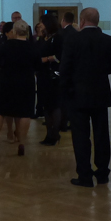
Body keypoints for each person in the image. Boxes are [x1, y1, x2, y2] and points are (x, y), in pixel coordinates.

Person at [60, 7, 111, 187]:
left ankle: (84, 175)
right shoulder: (109, 40)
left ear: (82, 21)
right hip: (100, 94)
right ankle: (102, 173)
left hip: (77, 94)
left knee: (81, 136)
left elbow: (65, 67)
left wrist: (65, 90)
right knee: (101, 134)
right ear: (97, 21)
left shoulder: (73, 39)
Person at [0, 20, 41, 157]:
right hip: (26, 82)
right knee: (25, 113)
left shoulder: (6, 46)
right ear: (26, 32)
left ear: (15, 31)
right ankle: (21, 143)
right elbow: (38, 66)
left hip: (8, 81)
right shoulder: (32, 47)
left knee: (1, 112)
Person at [36, 14, 63, 145]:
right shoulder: (43, 38)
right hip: (43, 75)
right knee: (46, 105)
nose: (40, 25)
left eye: (42, 22)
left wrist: (46, 59)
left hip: (53, 75)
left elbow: (60, 55)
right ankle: (49, 134)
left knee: (54, 105)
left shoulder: (58, 38)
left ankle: (54, 134)